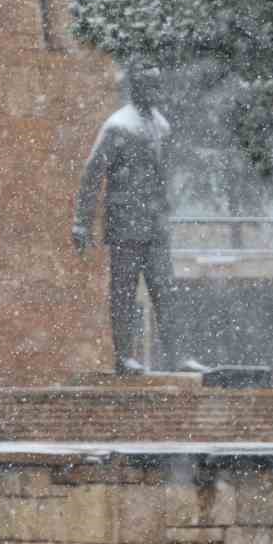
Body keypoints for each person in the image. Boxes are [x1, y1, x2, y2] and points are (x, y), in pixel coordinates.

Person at [73, 63, 174, 374]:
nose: (155, 92)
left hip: (155, 225)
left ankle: (177, 353)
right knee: (124, 293)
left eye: (158, 85)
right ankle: (124, 356)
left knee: (166, 290)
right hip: (126, 225)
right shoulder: (118, 126)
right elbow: (93, 174)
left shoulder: (162, 126)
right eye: (149, 86)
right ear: (136, 88)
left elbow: (163, 178)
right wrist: (81, 221)